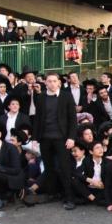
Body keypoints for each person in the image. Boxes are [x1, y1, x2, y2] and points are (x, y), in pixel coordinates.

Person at [32, 72, 78, 210]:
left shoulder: (66, 96)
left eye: (54, 81)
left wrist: (71, 137)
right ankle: (53, 193)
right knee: (49, 167)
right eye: (49, 81)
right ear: (45, 83)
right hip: (45, 138)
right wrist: (34, 138)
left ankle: (69, 197)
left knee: (64, 168)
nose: (52, 83)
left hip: (62, 138)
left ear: (59, 82)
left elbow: (73, 119)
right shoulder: (40, 98)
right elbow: (37, 120)